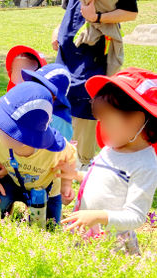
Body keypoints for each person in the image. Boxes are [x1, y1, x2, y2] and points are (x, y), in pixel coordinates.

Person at [59, 68, 157, 255]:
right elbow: (104, 179)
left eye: (106, 121)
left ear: (136, 120)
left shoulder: (145, 164)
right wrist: (76, 175)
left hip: (112, 245)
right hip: (89, 232)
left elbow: (136, 215)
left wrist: (98, 216)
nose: (101, 127)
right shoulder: (112, 148)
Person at [53, 0, 138, 168]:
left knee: (86, 99)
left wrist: (97, 17)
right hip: (67, 50)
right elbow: (69, 10)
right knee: (61, 97)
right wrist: (57, 31)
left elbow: (131, 13)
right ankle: (59, 155)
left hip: (94, 48)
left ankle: (81, 162)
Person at [0, 82, 76, 225]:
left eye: (4, 126)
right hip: (12, 182)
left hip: (46, 189)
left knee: (49, 226)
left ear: (23, 139)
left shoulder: (54, 150)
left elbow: (71, 156)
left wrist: (66, 185)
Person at [22, 63, 74, 141]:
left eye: (41, 86)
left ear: (55, 96)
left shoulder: (60, 119)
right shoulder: (34, 105)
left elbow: (60, 148)